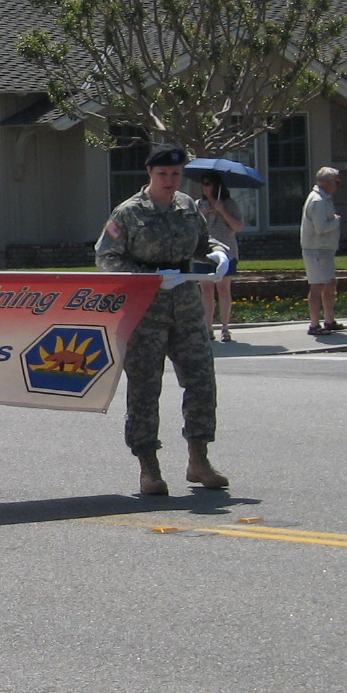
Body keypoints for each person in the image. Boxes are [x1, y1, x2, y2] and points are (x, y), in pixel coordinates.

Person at [97, 146, 233, 497]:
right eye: (163, 174)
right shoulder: (128, 213)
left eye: (175, 174)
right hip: (145, 312)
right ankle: (149, 467)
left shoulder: (187, 207)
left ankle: (198, 460)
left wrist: (217, 252)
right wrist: (150, 276)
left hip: (186, 308)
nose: (170, 181)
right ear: (149, 173)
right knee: (145, 389)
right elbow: (107, 258)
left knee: (202, 381)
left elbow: (203, 242)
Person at [194, 175, 242, 342]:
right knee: (206, 289)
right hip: (203, 253)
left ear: (216, 186)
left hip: (226, 252)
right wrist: (201, 214)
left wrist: (222, 211)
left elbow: (238, 227)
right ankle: (208, 328)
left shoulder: (229, 204)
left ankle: (225, 327)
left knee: (223, 288)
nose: (205, 188)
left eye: (208, 184)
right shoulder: (198, 204)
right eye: (203, 184)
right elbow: (189, 226)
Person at [300, 167, 344, 335]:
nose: (337, 185)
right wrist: (336, 221)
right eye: (335, 181)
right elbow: (320, 228)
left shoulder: (324, 199)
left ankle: (329, 320)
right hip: (316, 250)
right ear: (327, 182)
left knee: (330, 284)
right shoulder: (318, 201)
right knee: (317, 286)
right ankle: (314, 324)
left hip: (324, 250)